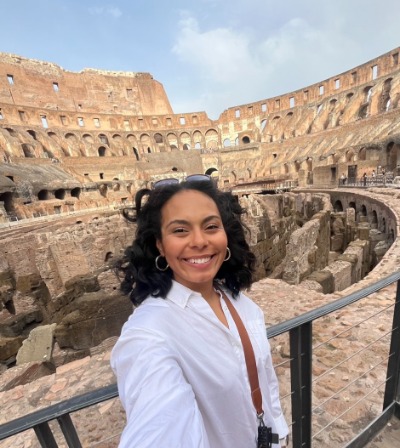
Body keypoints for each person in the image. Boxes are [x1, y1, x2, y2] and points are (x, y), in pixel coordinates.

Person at [111, 175, 289, 447]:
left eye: (211, 226)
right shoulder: (148, 332)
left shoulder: (241, 304)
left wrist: (279, 433)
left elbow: (265, 384)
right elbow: (158, 422)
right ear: (159, 244)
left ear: (225, 235)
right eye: (180, 230)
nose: (199, 241)